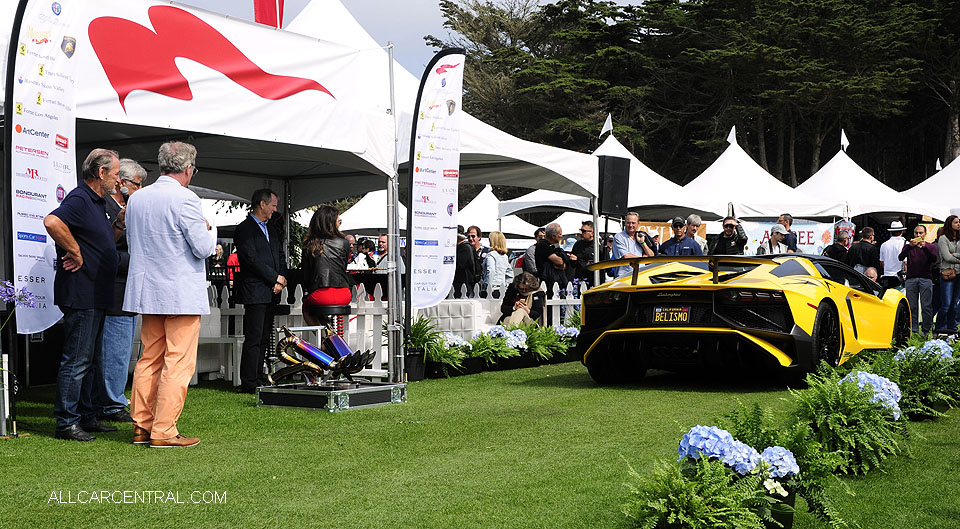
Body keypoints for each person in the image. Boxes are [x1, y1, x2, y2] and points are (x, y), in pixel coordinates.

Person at [124, 141, 216, 448]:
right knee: (178, 361)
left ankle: (142, 425)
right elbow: (202, 248)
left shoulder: (137, 198)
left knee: (149, 358)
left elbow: (133, 242)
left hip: (148, 289)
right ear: (188, 169)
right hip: (179, 292)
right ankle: (163, 430)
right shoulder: (186, 198)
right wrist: (209, 230)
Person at [43, 148, 122, 441]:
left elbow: (101, 241)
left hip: (96, 292)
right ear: (101, 172)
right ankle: (66, 422)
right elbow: (52, 222)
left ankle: (87, 416)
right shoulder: (79, 198)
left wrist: (118, 225)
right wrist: (74, 251)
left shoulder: (98, 202)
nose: (118, 180)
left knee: (90, 361)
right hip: (82, 291)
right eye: (115, 174)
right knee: (77, 360)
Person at [95, 158, 146, 425]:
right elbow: (106, 252)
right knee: (114, 351)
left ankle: (114, 398)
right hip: (114, 291)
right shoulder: (105, 207)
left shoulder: (128, 210)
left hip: (128, 291)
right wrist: (136, 260)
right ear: (122, 184)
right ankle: (111, 403)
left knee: (123, 350)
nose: (141, 190)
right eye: (138, 184)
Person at [235, 188, 288, 394]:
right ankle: (249, 381)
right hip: (255, 290)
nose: (275, 210)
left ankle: (258, 376)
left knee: (265, 336)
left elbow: (280, 256)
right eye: (273, 205)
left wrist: (281, 279)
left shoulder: (271, 230)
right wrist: (274, 278)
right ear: (262, 204)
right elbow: (251, 259)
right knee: (254, 337)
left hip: (272, 291)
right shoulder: (244, 229)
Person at [301, 205, 353, 326]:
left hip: (320, 292)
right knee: (319, 308)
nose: (339, 224)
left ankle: (323, 336)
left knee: (307, 310)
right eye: (338, 221)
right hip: (343, 293)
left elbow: (306, 274)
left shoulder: (309, 244)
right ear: (332, 223)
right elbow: (343, 267)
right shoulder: (344, 243)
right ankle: (330, 335)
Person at [899, 224, 938, 334]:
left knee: (926, 306)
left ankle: (926, 330)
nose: (918, 235)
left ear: (925, 234)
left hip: (926, 278)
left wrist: (925, 247)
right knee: (912, 306)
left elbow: (934, 259)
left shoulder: (931, 246)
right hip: (911, 278)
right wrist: (909, 247)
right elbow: (900, 257)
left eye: (921, 233)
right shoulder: (909, 246)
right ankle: (913, 330)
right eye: (916, 233)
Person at [936, 215, 960, 334]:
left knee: (954, 304)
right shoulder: (943, 238)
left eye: (959, 222)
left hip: (959, 274)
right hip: (948, 274)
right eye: (956, 222)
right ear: (950, 224)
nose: (958, 224)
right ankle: (939, 329)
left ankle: (952, 330)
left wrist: (954, 255)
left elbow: (951, 256)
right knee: (946, 304)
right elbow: (946, 257)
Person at [611, 212, 654, 277]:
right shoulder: (619, 237)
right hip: (624, 277)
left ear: (638, 224)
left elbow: (651, 256)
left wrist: (642, 243)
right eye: (628, 223)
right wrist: (643, 260)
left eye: (633, 223)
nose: (631, 225)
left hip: (640, 276)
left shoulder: (640, 236)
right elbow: (626, 256)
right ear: (625, 223)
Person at [535, 222, 572, 296]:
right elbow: (559, 261)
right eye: (560, 234)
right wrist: (562, 263)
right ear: (553, 236)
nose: (561, 236)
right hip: (547, 283)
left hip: (556, 282)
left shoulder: (553, 246)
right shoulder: (543, 245)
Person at [482, 231, 513, 297]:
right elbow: (510, 274)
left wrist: (488, 286)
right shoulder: (505, 256)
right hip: (502, 288)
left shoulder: (491, 255)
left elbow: (491, 271)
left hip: (492, 288)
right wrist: (506, 285)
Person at [878, 221, 907, 290]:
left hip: (886, 277)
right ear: (902, 231)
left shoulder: (884, 245)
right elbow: (905, 263)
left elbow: (882, 263)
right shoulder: (906, 244)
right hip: (899, 278)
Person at [453, 231, 478, 298]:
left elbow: (460, 265)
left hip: (464, 283)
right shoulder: (467, 247)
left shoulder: (465, 248)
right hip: (462, 284)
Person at [571, 221, 597, 285]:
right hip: (580, 281)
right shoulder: (577, 245)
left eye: (583, 231)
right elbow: (573, 264)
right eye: (580, 230)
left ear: (592, 233)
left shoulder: (598, 247)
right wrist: (573, 260)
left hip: (595, 281)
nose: (581, 233)